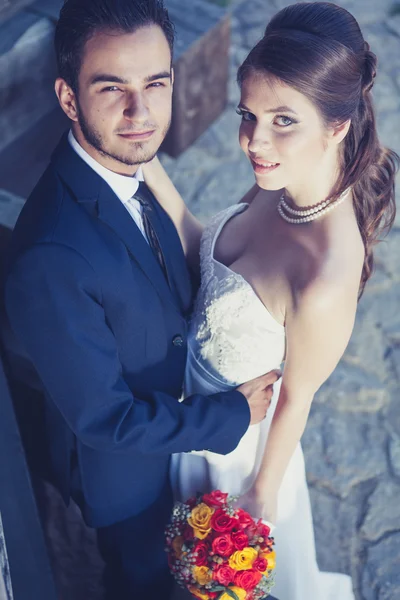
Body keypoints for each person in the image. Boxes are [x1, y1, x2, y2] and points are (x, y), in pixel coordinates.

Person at [2, 0, 280, 598]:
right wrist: (230, 414)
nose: (141, 111)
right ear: (69, 98)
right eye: (112, 89)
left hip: (176, 437)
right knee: (145, 581)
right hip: (125, 480)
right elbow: (104, 419)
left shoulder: (126, 166)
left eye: (156, 83)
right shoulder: (50, 257)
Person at [142, 3, 399, 599]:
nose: (254, 141)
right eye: (248, 114)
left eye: (284, 120)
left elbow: (297, 399)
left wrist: (255, 502)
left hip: (233, 462)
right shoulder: (276, 181)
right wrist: (145, 168)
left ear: (338, 125)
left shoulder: (325, 273)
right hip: (186, 414)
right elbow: (209, 256)